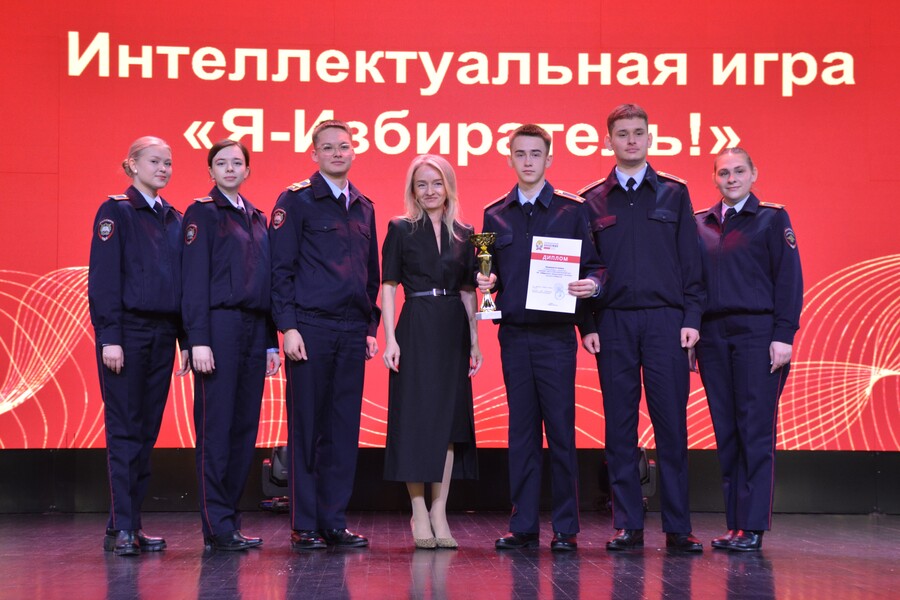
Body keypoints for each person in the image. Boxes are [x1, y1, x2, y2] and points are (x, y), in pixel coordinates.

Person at [579, 104, 706, 552]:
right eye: (622, 134)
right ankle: (628, 523)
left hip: (666, 322)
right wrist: (587, 323)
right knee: (619, 427)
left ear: (650, 138)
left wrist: (692, 319)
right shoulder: (591, 200)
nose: (631, 140)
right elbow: (583, 268)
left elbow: (692, 263)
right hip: (612, 322)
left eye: (638, 133)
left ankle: (678, 527)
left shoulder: (675, 193)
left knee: (672, 425)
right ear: (608, 141)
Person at [478, 124, 605, 552]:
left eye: (536, 154)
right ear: (509, 159)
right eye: (521, 154)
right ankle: (524, 526)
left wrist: (591, 289)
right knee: (522, 433)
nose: (528, 161)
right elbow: (488, 274)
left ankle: (566, 528)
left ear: (549, 159)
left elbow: (595, 266)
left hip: (556, 337)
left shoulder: (572, 210)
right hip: (514, 335)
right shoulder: (494, 215)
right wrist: (486, 282)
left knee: (562, 432)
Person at [269, 119, 381, 550]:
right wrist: (288, 327)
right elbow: (280, 271)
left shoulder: (364, 206)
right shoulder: (296, 200)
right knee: (307, 430)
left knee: (342, 431)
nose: (337, 153)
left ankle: (334, 521)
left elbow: (370, 275)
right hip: (310, 329)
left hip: (351, 332)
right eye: (328, 147)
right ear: (314, 154)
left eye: (344, 146)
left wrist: (369, 327)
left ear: (354, 151)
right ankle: (305, 524)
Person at [694, 148, 803, 552]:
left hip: (758, 335)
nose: (732, 178)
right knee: (727, 432)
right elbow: (693, 285)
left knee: (755, 431)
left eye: (739, 171)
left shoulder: (772, 218)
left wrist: (784, 334)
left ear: (754, 173)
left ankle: (753, 525)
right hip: (713, 337)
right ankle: (735, 524)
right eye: (724, 173)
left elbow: (789, 279)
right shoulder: (700, 224)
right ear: (714, 178)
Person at [88, 136, 189, 556]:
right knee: (125, 430)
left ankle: (125, 525)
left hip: (163, 334)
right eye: (154, 161)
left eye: (168, 163)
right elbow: (104, 279)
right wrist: (109, 336)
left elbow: (181, 286)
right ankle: (125, 526)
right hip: (127, 334)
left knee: (146, 432)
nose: (163, 169)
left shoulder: (174, 217)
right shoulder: (116, 211)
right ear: (131, 164)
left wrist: (184, 339)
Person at [181, 140, 281, 551]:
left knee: (243, 430)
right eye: (221, 163)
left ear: (247, 171)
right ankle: (216, 525)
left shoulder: (257, 217)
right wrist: (198, 339)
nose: (229, 168)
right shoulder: (202, 213)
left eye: (236, 163)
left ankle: (231, 521)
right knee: (216, 429)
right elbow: (192, 281)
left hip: (254, 329)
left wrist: (271, 343)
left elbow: (266, 283)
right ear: (210, 170)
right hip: (218, 326)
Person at [381, 154, 482, 549]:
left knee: (449, 424)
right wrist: (390, 338)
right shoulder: (400, 228)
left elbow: (469, 291)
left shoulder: (466, 233)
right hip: (416, 324)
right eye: (421, 184)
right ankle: (418, 509)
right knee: (415, 420)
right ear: (413, 190)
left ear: (448, 187)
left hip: (452, 328)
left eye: (436, 183)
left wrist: (474, 340)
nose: (430, 191)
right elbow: (389, 286)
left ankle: (440, 510)